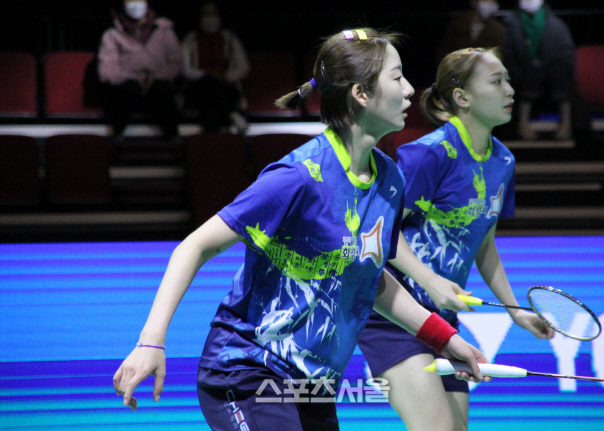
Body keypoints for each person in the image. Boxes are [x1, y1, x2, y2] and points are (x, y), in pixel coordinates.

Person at [112, 28, 491, 431]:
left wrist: (445, 339)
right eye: (397, 78)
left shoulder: (390, 181)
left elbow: (368, 278)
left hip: (313, 386)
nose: (411, 90)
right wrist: (151, 341)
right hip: (248, 372)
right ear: (361, 94)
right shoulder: (299, 176)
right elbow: (194, 247)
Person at [358, 47, 555, 431]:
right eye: (497, 81)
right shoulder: (427, 154)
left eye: (508, 80)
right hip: (395, 315)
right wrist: (429, 280)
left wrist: (515, 311)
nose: (510, 90)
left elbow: (483, 243)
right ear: (462, 97)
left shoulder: (502, 162)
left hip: (443, 319)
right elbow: (382, 232)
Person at [97, 0, 183, 142]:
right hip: (128, 85)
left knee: (161, 91)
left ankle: (173, 138)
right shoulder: (112, 34)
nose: (136, 4)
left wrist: (152, 78)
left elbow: (176, 63)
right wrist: (135, 79)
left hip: (157, 82)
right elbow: (106, 70)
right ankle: (117, 139)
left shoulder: (164, 30)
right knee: (127, 90)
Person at [502, 0, 576, 140]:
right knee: (531, 74)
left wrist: (551, 67)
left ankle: (566, 125)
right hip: (522, 76)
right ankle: (522, 125)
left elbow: (567, 54)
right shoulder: (510, 25)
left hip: (552, 76)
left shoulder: (556, 25)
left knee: (561, 77)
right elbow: (507, 55)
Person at [181, 1, 250, 133]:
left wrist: (226, 77)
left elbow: (243, 67)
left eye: (213, 13)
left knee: (210, 102)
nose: (210, 17)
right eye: (206, 14)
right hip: (197, 88)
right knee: (209, 85)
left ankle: (212, 140)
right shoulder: (190, 39)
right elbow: (185, 69)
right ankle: (232, 114)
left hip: (226, 86)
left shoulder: (229, 38)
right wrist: (206, 75)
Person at [436, 0, 506, 66]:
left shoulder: (498, 29)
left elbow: (499, 56)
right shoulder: (457, 25)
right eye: (486, 1)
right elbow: (443, 52)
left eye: (492, 1)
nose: (489, 5)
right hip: (458, 70)